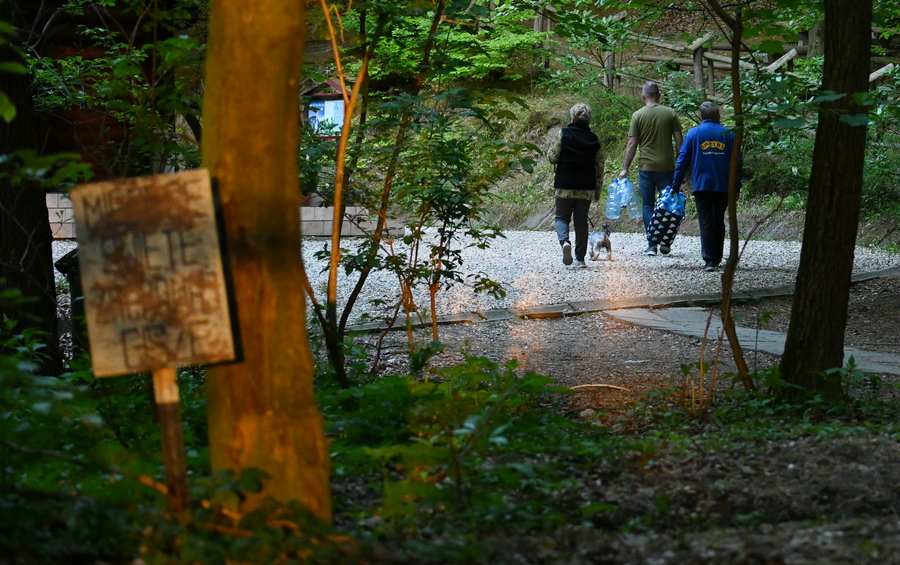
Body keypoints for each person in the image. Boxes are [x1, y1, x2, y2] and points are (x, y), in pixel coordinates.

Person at [671, 101, 740, 272]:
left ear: (702, 116)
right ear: (717, 115)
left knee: (706, 221)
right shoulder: (729, 134)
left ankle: (710, 260)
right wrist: (736, 186)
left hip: (702, 185)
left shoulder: (693, 134)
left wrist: (676, 184)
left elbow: (682, 160)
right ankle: (717, 256)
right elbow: (737, 162)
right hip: (723, 185)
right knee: (718, 219)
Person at [618, 81, 684, 256]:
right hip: (667, 167)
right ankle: (666, 242)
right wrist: (681, 164)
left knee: (648, 205)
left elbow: (632, 144)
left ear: (643, 96)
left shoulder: (638, 115)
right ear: (659, 96)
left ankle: (652, 245)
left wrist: (625, 168)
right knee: (669, 205)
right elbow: (679, 142)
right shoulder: (670, 113)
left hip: (646, 167)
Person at [548, 102, 605, 268]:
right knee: (581, 223)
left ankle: (565, 242)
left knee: (561, 217)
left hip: (564, 185)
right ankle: (580, 259)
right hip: (586, 188)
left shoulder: (563, 134)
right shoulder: (594, 140)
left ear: (572, 118)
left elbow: (552, 157)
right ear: (588, 121)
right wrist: (597, 191)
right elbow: (600, 167)